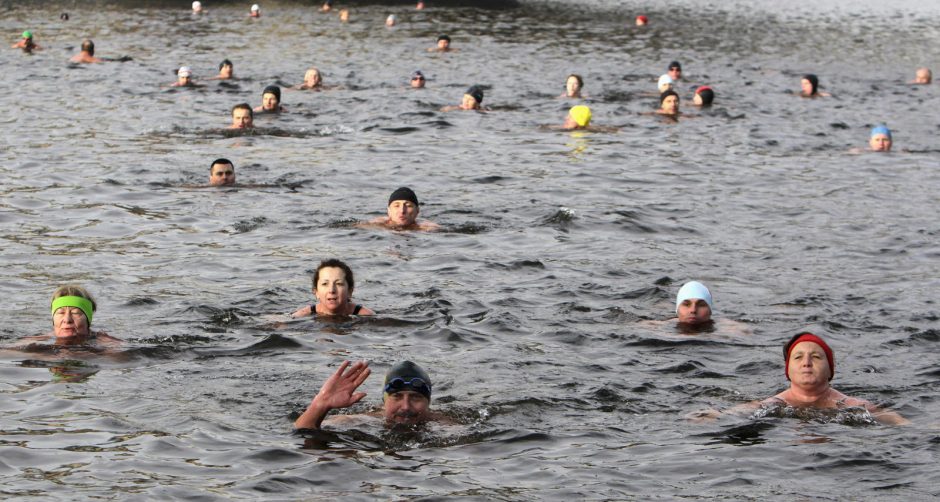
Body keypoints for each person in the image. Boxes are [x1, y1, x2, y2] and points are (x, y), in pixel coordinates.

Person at [294, 360, 445, 429]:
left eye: (416, 397)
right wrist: (322, 404)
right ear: (384, 401)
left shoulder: (447, 426)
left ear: (428, 402)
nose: (405, 407)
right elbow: (299, 431)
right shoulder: (362, 420)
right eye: (397, 397)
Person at [291, 259, 375, 318]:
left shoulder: (366, 316)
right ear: (316, 292)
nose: (331, 290)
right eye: (325, 284)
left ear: (350, 291)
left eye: (339, 284)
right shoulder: (302, 315)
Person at [363, 186, 439, 231]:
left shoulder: (426, 227)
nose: (402, 211)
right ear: (389, 211)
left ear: (417, 211)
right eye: (396, 206)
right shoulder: (377, 224)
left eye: (408, 205)